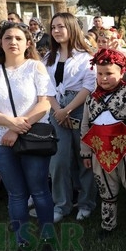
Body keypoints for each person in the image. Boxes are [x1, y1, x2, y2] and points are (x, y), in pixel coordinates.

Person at [0, 22, 57, 251]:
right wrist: (10, 124)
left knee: (40, 191)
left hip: (32, 138)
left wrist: (18, 128)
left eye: (18, 38)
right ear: (0, 42)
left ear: (28, 43)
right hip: (1, 142)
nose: (13, 41)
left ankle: (48, 241)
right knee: (16, 195)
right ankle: (24, 245)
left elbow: (44, 104)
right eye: (7, 37)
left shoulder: (36, 68)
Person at [81, 48, 126, 239]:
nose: (104, 78)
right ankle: (108, 225)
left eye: (109, 74)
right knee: (106, 191)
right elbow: (85, 126)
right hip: (100, 153)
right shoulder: (91, 98)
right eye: (100, 74)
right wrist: (86, 152)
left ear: (121, 72)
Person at [42, 13, 97, 223]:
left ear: (72, 28)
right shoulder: (48, 58)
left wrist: (68, 109)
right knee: (58, 160)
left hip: (80, 108)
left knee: (85, 159)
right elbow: (45, 87)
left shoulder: (87, 56)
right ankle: (61, 204)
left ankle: (86, 203)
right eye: (53, 27)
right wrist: (58, 110)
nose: (56, 31)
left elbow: (88, 86)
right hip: (55, 109)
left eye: (61, 26)